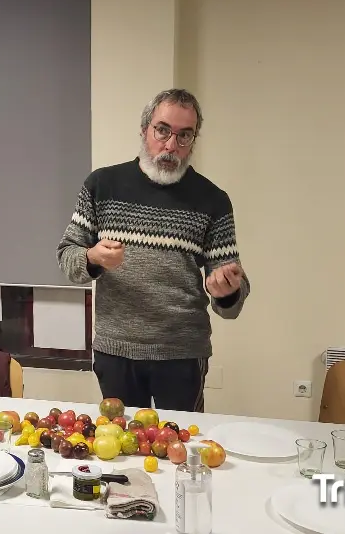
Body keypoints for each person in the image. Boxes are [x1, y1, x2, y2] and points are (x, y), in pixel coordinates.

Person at [57, 89, 250, 412]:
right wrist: (92, 258)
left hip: (182, 353)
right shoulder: (102, 185)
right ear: (145, 128)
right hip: (116, 350)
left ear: (193, 140)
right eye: (163, 130)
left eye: (184, 135)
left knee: (179, 447)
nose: (171, 145)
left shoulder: (212, 200)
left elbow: (232, 296)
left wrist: (227, 290)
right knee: (118, 447)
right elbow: (67, 257)